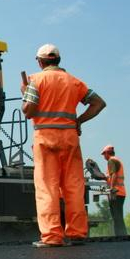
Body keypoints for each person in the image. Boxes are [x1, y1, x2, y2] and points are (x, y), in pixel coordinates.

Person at [21, 44, 107, 247]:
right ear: (58, 60)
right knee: (74, 186)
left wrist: (26, 93)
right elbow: (99, 103)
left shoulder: (34, 80)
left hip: (45, 139)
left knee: (47, 187)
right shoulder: (74, 82)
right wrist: (79, 121)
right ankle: (77, 233)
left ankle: (52, 236)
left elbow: (28, 111)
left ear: (40, 62)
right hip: (69, 138)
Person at [99, 145, 128, 237]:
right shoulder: (117, 160)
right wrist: (105, 178)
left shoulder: (111, 160)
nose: (104, 156)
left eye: (104, 154)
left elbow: (114, 175)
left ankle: (120, 236)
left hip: (116, 193)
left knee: (116, 217)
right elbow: (111, 176)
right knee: (118, 216)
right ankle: (123, 235)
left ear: (107, 153)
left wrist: (111, 189)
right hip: (120, 192)